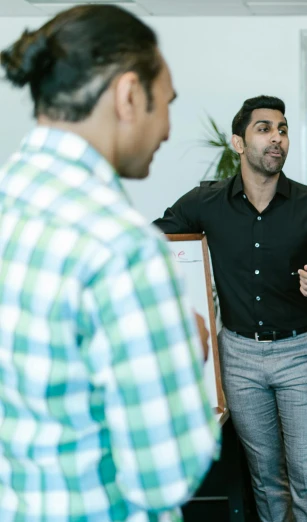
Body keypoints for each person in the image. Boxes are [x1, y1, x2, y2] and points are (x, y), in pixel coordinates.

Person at [0, 5, 219, 520]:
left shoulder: (10, 200)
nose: (166, 128)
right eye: (165, 103)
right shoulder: (123, 248)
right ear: (127, 96)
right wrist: (183, 352)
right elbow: (163, 474)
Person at [153, 95, 307, 522]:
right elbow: (153, 242)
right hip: (238, 356)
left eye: (281, 129)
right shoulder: (205, 203)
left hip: (301, 354)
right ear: (238, 143)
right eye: (264, 129)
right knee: (264, 476)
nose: (276, 138)